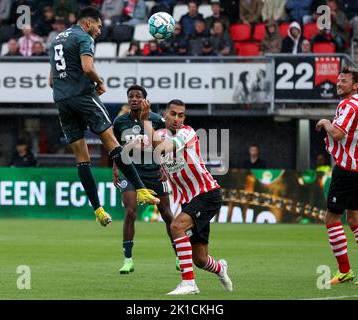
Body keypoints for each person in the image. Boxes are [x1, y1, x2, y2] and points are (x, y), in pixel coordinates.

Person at [49, 6, 160, 227]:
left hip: (62, 100)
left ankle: (98, 209)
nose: (99, 31)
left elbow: (52, 80)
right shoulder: (83, 37)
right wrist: (99, 82)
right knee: (112, 143)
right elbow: (87, 67)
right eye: (99, 26)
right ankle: (141, 190)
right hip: (83, 96)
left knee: (82, 158)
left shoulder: (56, 41)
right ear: (88, 23)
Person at [135, 98, 233, 295]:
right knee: (200, 259)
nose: (176, 119)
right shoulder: (160, 133)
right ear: (165, 115)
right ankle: (221, 268)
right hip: (190, 200)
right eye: (173, 114)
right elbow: (137, 147)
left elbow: (162, 149)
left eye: (180, 115)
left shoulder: (188, 133)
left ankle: (189, 284)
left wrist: (145, 120)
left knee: (176, 226)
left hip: (207, 194)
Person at [316, 66, 358, 285]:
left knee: (331, 219)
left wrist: (326, 122)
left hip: (345, 169)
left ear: (355, 86)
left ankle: (344, 270)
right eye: (338, 80)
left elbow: (337, 133)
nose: (339, 83)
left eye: (344, 81)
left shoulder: (348, 105)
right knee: (355, 219)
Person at [112, 85, 179, 274]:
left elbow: (166, 145)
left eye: (138, 96)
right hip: (130, 171)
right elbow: (115, 146)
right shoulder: (119, 122)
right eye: (131, 96)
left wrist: (166, 166)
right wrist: (116, 167)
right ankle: (128, 260)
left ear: (145, 100)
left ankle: (179, 256)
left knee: (166, 213)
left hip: (153, 172)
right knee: (130, 212)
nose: (134, 99)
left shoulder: (156, 120)